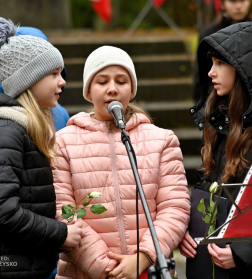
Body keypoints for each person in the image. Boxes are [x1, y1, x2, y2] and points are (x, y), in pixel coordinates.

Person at [52, 45, 191, 279]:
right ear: (88, 91)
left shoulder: (162, 140)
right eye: (102, 81)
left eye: (122, 81)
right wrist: (109, 270)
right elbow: (62, 212)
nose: (113, 89)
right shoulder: (63, 142)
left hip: (149, 270)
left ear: (132, 89)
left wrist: (143, 258)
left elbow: (175, 207)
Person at [180, 21, 252, 279]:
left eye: (220, 64)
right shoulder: (222, 121)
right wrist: (188, 232)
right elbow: (210, 190)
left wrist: (243, 253)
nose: (211, 72)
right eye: (211, 63)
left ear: (247, 70)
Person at [0, 17, 83, 279]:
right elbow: (4, 211)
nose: (63, 82)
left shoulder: (27, 129)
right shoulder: (9, 132)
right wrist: (61, 233)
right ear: (29, 79)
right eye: (54, 74)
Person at [193, 0, 252, 103]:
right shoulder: (209, 34)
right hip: (218, 107)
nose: (238, 6)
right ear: (222, 3)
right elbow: (200, 78)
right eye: (232, 0)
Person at [0, 27, 70, 131]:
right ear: (27, 80)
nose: (63, 82)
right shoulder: (8, 130)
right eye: (54, 73)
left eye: (60, 73)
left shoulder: (60, 115)